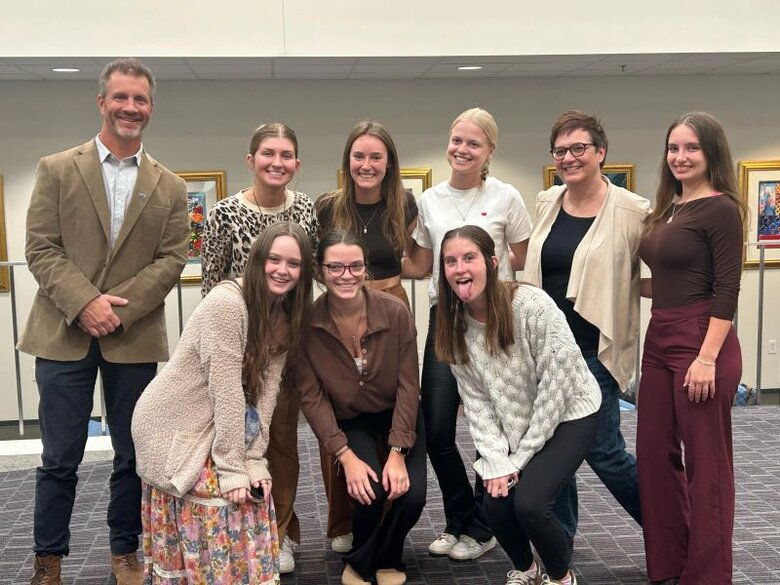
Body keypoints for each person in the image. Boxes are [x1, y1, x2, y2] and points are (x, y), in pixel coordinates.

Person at [17, 58, 189, 585]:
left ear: (151, 108)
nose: (130, 108)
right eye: (121, 97)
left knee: (133, 455)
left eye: (140, 100)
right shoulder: (57, 168)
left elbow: (172, 258)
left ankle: (124, 552)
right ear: (101, 102)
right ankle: (49, 560)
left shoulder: (171, 186)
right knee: (58, 457)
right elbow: (41, 248)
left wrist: (117, 309)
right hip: (62, 331)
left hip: (132, 337)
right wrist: (86, 303)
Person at [132, 222, 313, 585]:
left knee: (259, 489)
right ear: (257, 259)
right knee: (223, 494)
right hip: (174, 425)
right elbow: (226, 390)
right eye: (274, 259)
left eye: (293, 264)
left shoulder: (285, 312)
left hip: (216, 421)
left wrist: (254, 458)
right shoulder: (227, 304)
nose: (282, 270)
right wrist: (232, 466)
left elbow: (265, 393)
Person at [435, 225, 600, 585]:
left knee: (530, 504)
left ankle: (561, 577)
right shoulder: (453, 325)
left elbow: (558, 388)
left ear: (492, 263)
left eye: (469, 258)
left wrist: (517, 460)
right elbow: (476, 404)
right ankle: (527, 571)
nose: (460, 268)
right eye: (450, 261)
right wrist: (495, 462)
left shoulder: (531, 305)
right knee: (494, 503)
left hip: (571, 411)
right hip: (518, 422)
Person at [402, 107, 532, 560]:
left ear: (489, 151)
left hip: (492, 320)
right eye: (457, 140)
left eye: (473, 143)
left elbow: (520, 260)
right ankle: (458, 517)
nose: (462, 149)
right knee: (436, 429)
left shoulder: (506, 197)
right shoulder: (430, 200)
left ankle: (482, 526)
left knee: (488, 429)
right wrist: (369, 266)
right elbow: (421, 264)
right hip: (446, 321)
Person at [523, 111, 649, 543]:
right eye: (560, 150)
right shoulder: (546, 202)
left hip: (593, 351)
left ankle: (670, 533)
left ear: (601, 152)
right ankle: (559, 548)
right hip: (543, 350)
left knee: (605, 452)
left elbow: (660, 267)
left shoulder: (632, 210)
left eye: (579, 148)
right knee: (550, 453)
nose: (569, 157)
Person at [200, 122, 319, 574]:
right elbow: (212, 285)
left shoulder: (306, 210)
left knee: (279, 441)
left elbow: (312, 276)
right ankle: (234, 529)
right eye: (268, 153)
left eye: (286, 155)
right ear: (250, 160)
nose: (277, 162)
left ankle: (280, 531)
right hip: (236, 349)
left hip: (286, 349)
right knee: (231, 437)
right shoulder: (225, 214)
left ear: (297, 164)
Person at [637, 112, 745, 585]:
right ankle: (669, 566)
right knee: (653, 456)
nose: (680, 157)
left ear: (711, 153)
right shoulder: (668, 209)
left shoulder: (721, 208)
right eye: (673, 148)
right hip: (659, 336)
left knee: (708, 466)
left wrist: (706, 358)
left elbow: (727, 290)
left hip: (703, 339)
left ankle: (707, 576)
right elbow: (666, 279)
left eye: (691, 149)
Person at [295, 231, 426, 585]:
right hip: (352, 420)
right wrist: (345, 456)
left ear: (365, 268)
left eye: (355, 266)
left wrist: (398, 452)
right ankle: (360, 561)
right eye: (335, 267)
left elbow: (408, 384)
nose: (346, 275)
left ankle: (387, 556)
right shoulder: (307, 323)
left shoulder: (395, 310)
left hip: (399, 412)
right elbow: (312, 397)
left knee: (411, 495)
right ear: (320, 271)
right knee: (369, 489)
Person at [315, 120, 418, 553]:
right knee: (339, 412)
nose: (367, 164)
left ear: (389, 162)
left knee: (392, 405)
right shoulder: (327, 207)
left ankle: (387, 513)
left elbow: (416, 261)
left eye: (377, 156)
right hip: (340, 312)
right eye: (359, 156)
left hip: (389, 308)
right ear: (348, 160)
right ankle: (342, 520)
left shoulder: (405, 204)